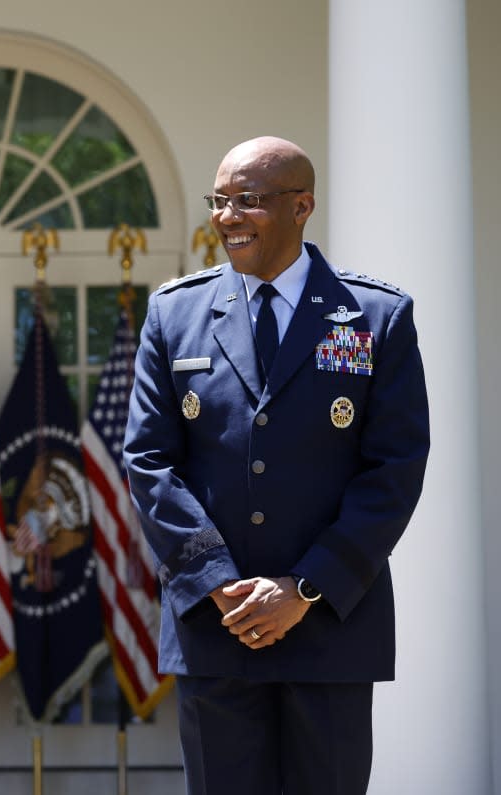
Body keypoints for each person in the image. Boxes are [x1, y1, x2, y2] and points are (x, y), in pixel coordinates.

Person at [123, 136, 429, 794]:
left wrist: (306, 588)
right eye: (220, 200)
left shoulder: (376, 316)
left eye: (249, 201)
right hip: (217, 628)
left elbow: (395, 467)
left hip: (331, 633)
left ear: (302, 206)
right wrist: (218, 580)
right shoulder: (175, 315)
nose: (228, 216)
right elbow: (149, 462)